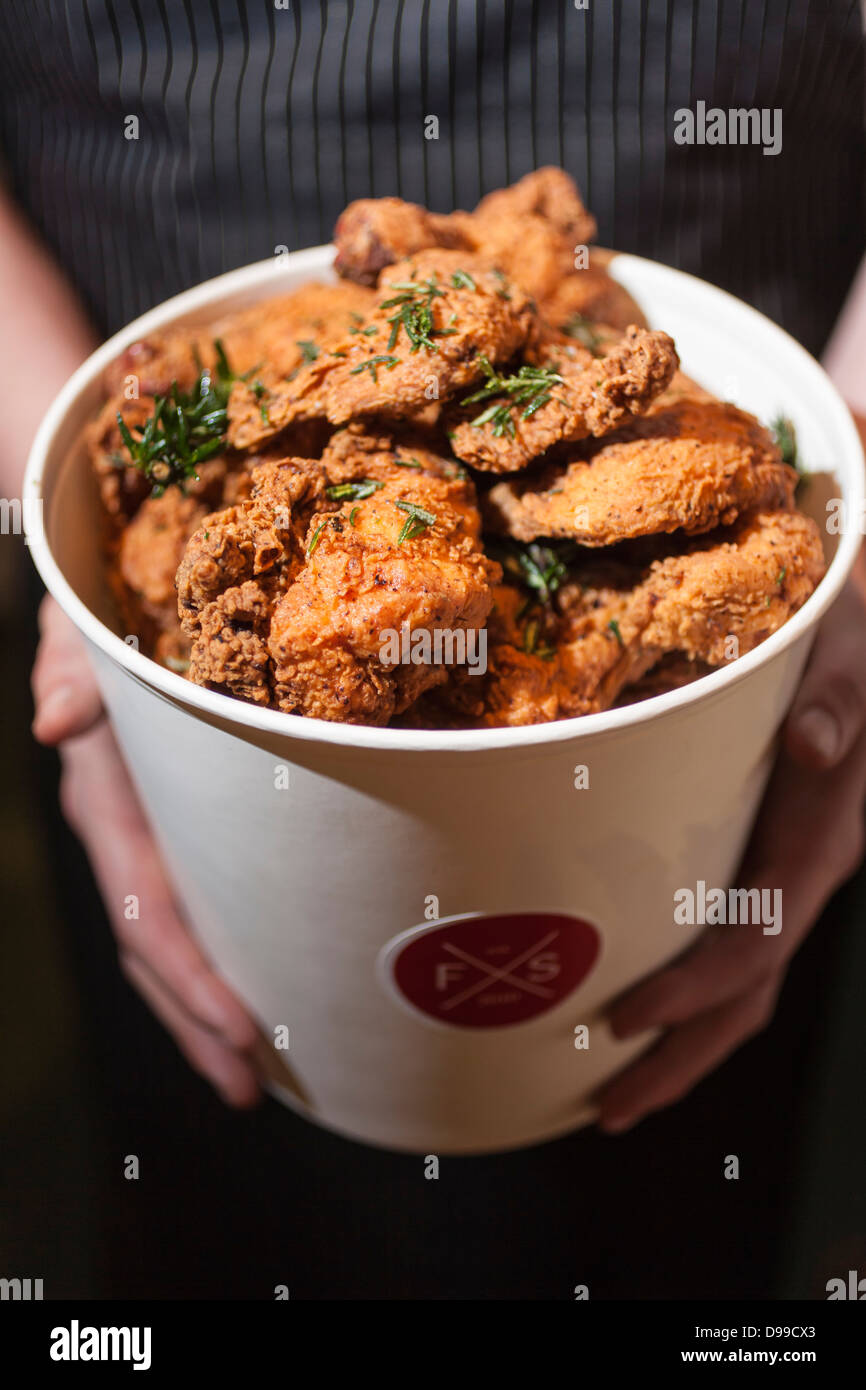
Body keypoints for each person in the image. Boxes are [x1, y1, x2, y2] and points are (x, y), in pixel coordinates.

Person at [2, 2, 865, 1290]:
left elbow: (781, 535)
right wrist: (52, 477)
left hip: (747, 285)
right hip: (126, 330)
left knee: (677, 1235)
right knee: (226, 1221)